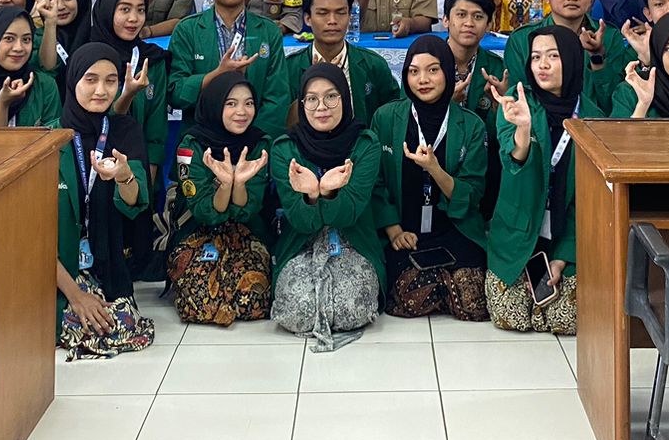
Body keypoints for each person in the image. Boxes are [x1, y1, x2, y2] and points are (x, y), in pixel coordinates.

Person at [484, 26, 599, 334]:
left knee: (566, 320)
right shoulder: (516, 102)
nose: (542, 65)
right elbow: (513, 160)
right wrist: (523, 129)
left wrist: (562, 258)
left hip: (567, 233)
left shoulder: (590, 115)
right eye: (535, 57)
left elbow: (588, 198)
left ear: (572, 60)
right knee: (511, 317)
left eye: (553, 56)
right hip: (517, 233)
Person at [373, 35, 490, 320]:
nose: (423, 79)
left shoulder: (471, 125)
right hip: (405, 232)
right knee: (409, 299)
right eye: (414, 71)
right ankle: (441, 286)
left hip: (453, 230)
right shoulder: (386, 118)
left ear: (448, 72)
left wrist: (436, 170)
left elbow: (473, 193)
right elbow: (375, 184)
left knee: (473, 303)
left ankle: (443, 285)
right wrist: (394, 231)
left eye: (433, 70)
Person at [269, 64, 384, 350]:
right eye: (311, 98)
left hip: (353, 240)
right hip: (302, 242)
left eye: (331, 96)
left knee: (352, 309)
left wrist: (329, 193)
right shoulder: (285, 149)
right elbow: (300, 221)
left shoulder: (365, 144)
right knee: (296, 311)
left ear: (345, 98)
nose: (321, 107)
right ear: (302, 103)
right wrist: (310, 196)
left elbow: (350, 214)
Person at [54, 43, 155, 359]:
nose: (101, 90)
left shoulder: (124, 131)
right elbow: (29, 236)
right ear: (73, 80)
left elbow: (135, 201)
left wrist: (124, 176)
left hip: (107, 268)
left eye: (111, 81)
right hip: (57, 272)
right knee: (80, 322)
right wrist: (76, 295)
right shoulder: (49, 138)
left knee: (121, 324)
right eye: (91, 79)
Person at [167, 72, 274, 326]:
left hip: (245, 230)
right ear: (214, 104)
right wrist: (225, 185)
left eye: (249, 103)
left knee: (253, 301)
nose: (242, 112)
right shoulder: (190, 144)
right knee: (200, 304)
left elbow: (247, 210)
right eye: (231, 103)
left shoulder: (259, 144)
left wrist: (239, 184)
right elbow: (203, 211)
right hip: (197, 229)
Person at [167, 0, 290, 136]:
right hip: (201, 139)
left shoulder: (269, 31)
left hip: (255, 140)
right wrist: (216, 74)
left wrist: (254, 139)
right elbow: (175, 93)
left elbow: (278, 97)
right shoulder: (187, 30)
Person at [503, 0, 630, 113]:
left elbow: (614, 101)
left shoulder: (609, 36)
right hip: (541, 124)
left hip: (595, 122)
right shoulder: (522, 39)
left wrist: (597, 57)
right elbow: (520, 97)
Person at [287, 0, 401, 126]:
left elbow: (394, 116)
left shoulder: (373, 65)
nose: (332, 21)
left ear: (349, 16)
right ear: (308, 19)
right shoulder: (289, 68)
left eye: (340, 12)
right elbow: (282, 123)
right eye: (323, 13)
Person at [87, 0, 170, 173]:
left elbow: (155, 130)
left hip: (139, 166)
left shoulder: (152, 60)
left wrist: (148, 179)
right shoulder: (88, 58)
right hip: (93, 164)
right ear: (108, 11)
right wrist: (128, 95)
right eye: (125, 9)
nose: (134, 18)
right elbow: (97, 121)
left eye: (140, 10)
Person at [442, 0, 509, 121]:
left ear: (489, 25)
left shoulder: (498, 68)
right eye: (461, 15)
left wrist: (503, 101)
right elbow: (406, 114)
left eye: (478, 17)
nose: (469, 23)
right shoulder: (426, 62)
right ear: (446, 20)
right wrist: (445, 104)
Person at [38, 0, 94, 76]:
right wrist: (50, 23)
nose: (60, 6)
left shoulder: (96, 37)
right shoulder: (35, 38)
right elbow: (47, 69)